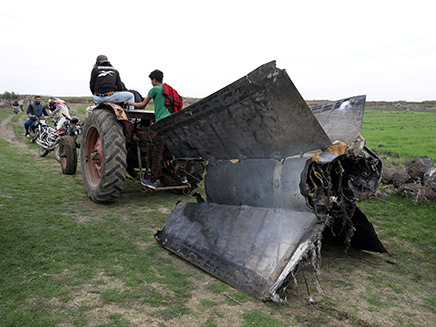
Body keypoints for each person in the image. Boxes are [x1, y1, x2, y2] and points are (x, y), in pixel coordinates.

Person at [126, 69, 185, 189]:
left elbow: (142, 105)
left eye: (151, 80)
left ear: (154, 79)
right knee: (174, 152)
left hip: (161, 124)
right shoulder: (169, 89)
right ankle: (183, 176)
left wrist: (129, 103)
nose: (151, 83)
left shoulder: (154, 90)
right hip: (172, 123)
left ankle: (152, 181)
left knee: (157, 153)